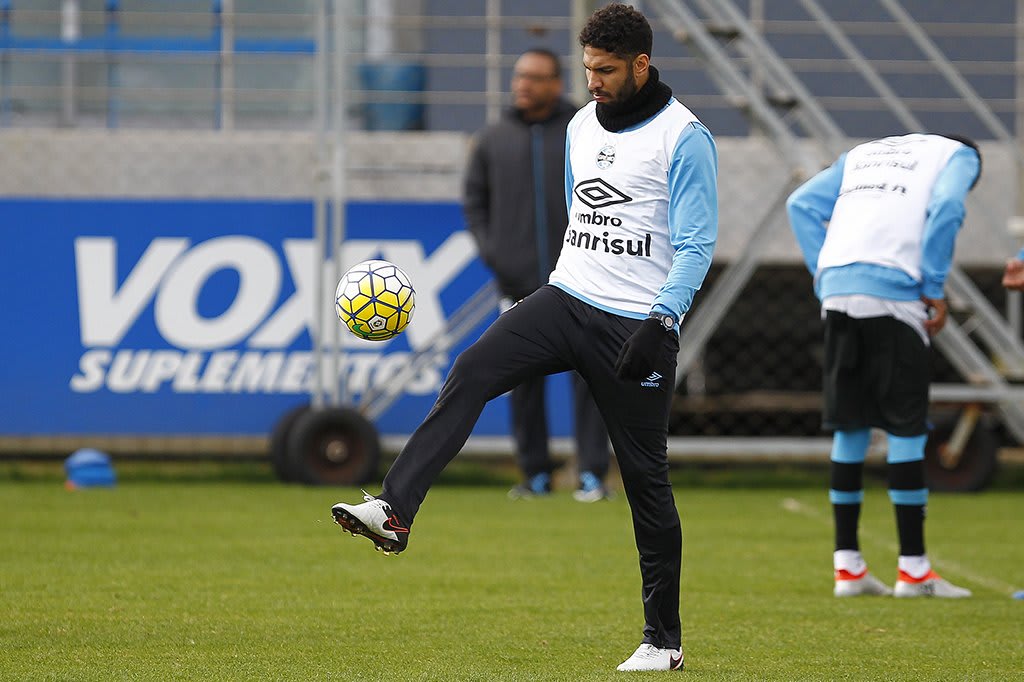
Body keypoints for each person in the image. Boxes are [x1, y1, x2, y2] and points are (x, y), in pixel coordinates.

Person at [332, 3, 717, 671]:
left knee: (646, 481)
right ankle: (395, 508)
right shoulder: (579, 125)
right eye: (588, 68)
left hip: (635, 326)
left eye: (605, 70)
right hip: (564, 298)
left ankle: (663, 640)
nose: (592, 81)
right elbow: (581, 217)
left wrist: (664, 319)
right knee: (472, 367)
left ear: (642, 65)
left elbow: (694, 243)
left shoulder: (684, 138)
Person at [787, 132, 981, 599]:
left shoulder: (863, 154)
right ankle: (914, 571)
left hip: (837, 289)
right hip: (895, 294)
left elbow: (800, 205)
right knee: (906, 429)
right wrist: (933, 284)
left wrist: (825, 273)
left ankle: (848, 569)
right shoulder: (959, 155)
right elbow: (949, 209)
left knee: (850, 428)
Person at [462, 48, 612, 502]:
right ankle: (535, 475)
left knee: (592, 380)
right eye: (519, 76)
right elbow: (475, 202)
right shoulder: (492, 139)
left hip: (584, 281)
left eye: (534, 77)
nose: (523, 85)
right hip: (520, 283)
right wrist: (497, 255)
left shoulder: (583, 131)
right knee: (521, 384)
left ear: (555, 83)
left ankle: (591, 475)